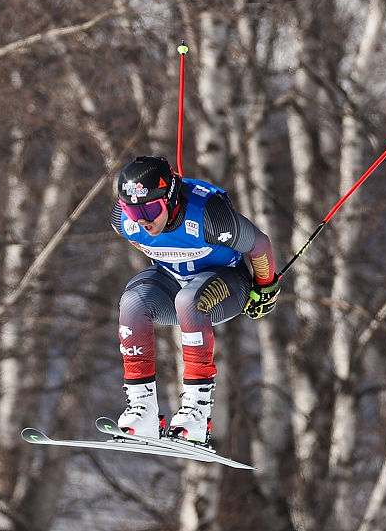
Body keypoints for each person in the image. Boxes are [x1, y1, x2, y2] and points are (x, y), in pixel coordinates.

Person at [110, 155, 280, 443]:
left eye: (150, 209)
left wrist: (265, 286)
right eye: (133, 211)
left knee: (189, 300)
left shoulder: (210, 217)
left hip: (227, 282)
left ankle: (196, 413)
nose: (143, 221)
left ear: (171, 197)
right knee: (133, 303)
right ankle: (142, 410)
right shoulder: (124, 222)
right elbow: (140, 233)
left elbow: (260, 244)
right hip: (173, 279)